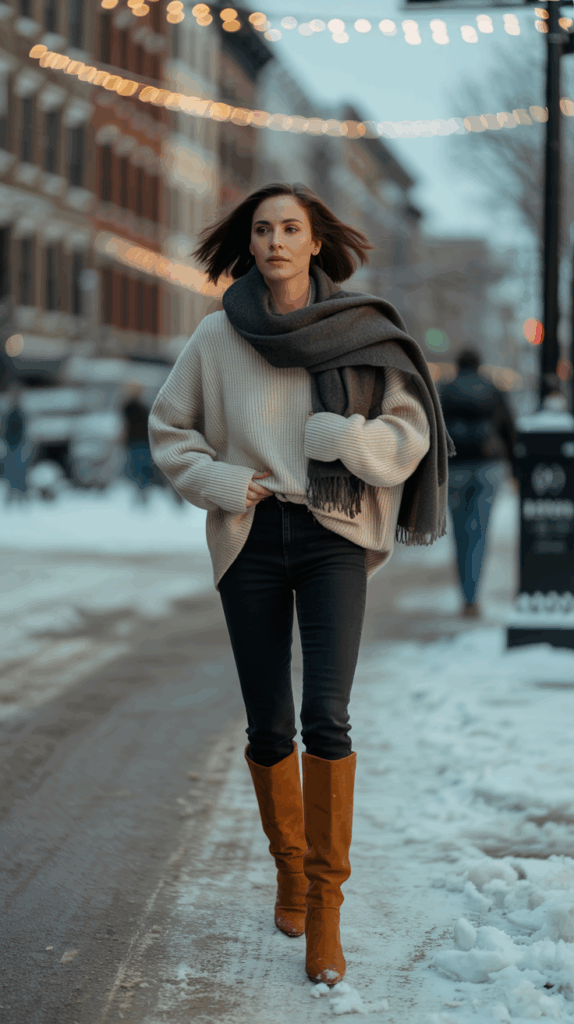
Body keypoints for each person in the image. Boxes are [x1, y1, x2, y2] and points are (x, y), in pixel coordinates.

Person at [148, 182, 453, 986]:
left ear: (317, 243)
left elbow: (410, 428)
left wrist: (349, 439)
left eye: (292, 228)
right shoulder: (217, 337)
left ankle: (325, 905)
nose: (277, 241)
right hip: (251, 535)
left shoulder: (359, 330)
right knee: (268, 725)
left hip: (333, 534)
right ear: (247, 244)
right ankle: (289, 866)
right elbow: (168, 428)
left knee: (327, 715)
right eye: (263, 229)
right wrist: (218, 481)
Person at [440, 348, 516, 618]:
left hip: (456, 468)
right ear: (480, 365)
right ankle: (474, 594)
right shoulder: (493, 389)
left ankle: (466, 595)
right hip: (488, 468)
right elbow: (509, 429)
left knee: (460, 533)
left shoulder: (445, 390)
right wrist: (515, 471)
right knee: (480, 532)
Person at [122, 381, 153, 503]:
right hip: (137, 443)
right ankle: (141, 491)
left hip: (139, 443)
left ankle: (142, 491)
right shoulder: (131, 407)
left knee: (139, 468)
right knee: (139, 468)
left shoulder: (132, 406)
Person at [2, 382, 29, 504]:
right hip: (10, 444)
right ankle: (12, 494)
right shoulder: (8, 413)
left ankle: (22, 494)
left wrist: (20, 442)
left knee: (19, 469)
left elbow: (22, 430)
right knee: (10, 470)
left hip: (18, 444)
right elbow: (4, 429)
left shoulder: (19, 412)